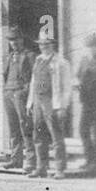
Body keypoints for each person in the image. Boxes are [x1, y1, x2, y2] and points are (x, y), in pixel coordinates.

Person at [26, 31, 72, 179]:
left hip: (52, 102)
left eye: (46, 44)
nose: (43, 47)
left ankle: (59, 169)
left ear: (52, 45)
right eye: (41, 44)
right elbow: (33, 82)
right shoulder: (38, 60)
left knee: (56, 136)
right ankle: (41, 167)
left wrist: (62, 106)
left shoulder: (61, 63)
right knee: (38, 134)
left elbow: (67, 87)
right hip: (38, 100)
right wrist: (30, 103)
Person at [0, 24, 36, 172]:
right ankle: (16, 159)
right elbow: (5, 75)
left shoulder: (29, 55)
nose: (14, 43)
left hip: (21, 94)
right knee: (13, 128)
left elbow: (35, 76)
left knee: (25, 127)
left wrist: (27, 93)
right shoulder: (9, 57)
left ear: (22, 40)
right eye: (11, 40)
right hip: (8, 93)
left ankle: (31, 161)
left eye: (16, 39)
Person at [74, 32, 96, 176]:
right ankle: (90, 159)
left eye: (94, 47)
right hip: (86, 102)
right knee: (83, 130)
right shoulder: (84, 60)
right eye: (89, 47)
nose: (91, 50)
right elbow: (78, 76)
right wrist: (77, 84)